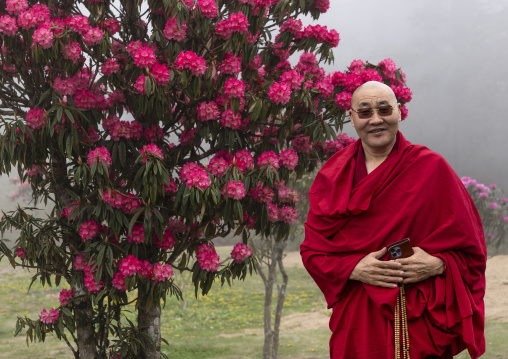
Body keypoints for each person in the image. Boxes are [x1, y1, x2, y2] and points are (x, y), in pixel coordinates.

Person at [300, 81, 486, 359]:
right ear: (351, 118)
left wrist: (438, 264)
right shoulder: (334, 176)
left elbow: (473, 252)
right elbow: (313, 251)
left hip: (418, 315)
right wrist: (353, 268)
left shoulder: (431, 168)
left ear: (399, 112)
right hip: (358, 316)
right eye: (364, 113)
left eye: (384, 109)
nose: (376, 119)